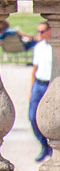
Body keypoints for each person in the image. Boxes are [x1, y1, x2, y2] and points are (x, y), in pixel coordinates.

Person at [31, 22, 53, 162]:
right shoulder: (39, 47)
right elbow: (34, 69)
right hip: (39, 84)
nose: (40, 34)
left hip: (52, 84)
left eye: (42, 31)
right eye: (39, 32)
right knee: (33, 116)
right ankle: (44, 145)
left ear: (50, 30)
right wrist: (31, 89)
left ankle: (52, 148)